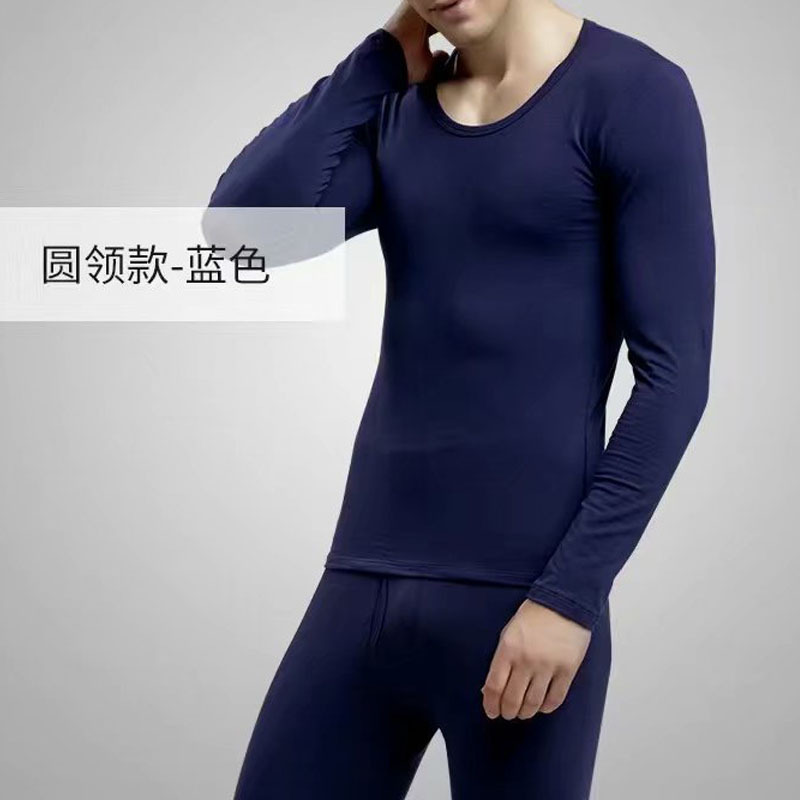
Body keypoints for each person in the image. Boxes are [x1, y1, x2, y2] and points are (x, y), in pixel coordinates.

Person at [207, 1, 715, 797]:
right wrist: (381, 59)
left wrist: (569, 598)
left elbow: (675, 378)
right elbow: (240, 234)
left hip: (525, 606)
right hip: (360, 585)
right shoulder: (401, 108)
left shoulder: (633, 91)